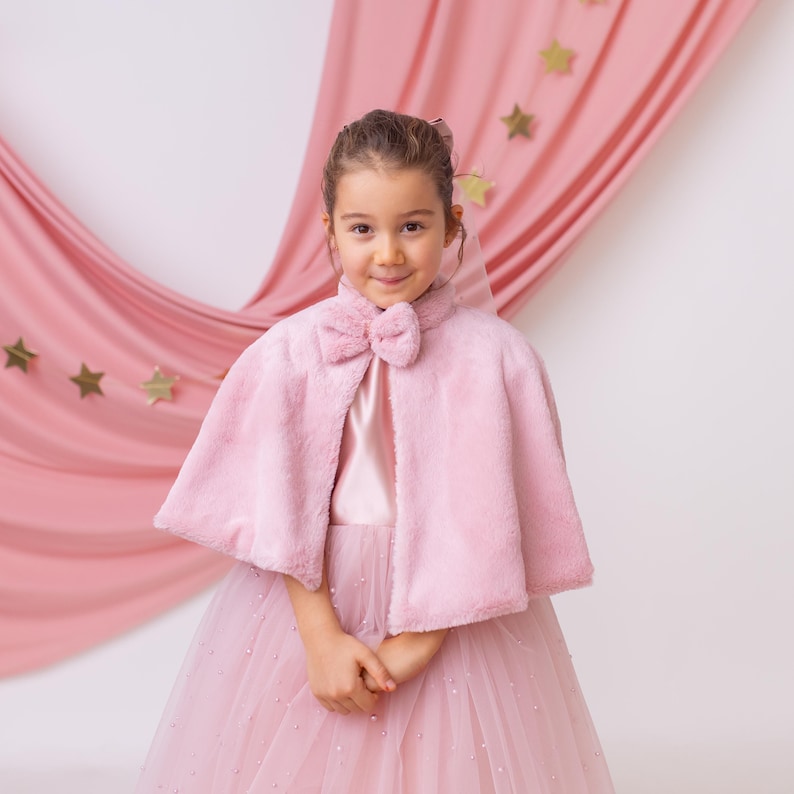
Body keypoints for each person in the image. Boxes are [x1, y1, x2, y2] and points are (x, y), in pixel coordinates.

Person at [135, 109, 614, 793]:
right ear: (330, 230)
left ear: (452, 225)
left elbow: (497, 520)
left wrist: (420, 640)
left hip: (456, 609)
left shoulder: (498, 360)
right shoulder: (286, 354)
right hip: (311, 599)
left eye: (412, 226)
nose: (388, 253)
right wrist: (321, 638)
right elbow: (275, 511)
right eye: (363, 229)